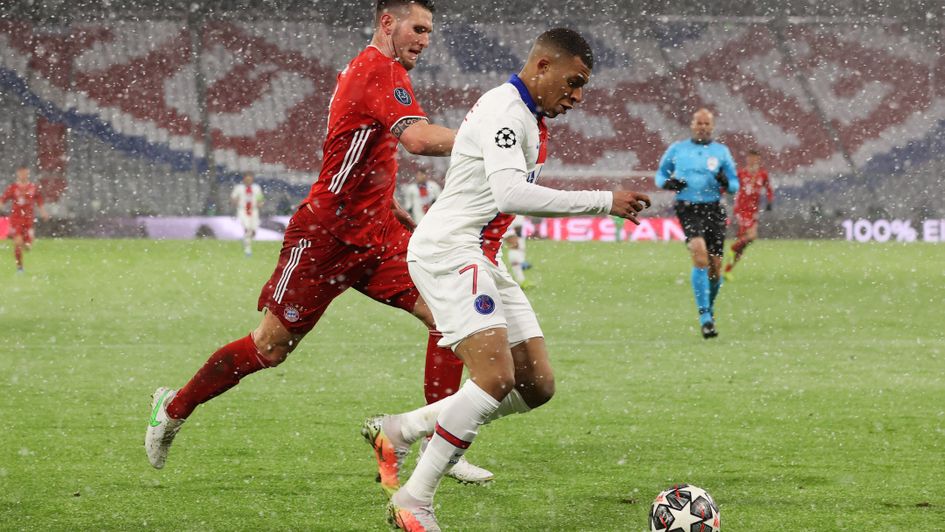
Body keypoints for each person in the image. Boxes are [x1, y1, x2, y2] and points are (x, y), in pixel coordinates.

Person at [146, 0, 493, 485]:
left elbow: (362, 144)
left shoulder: (376, 70)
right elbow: (415, 140)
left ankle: (439, 449)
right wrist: (490, 139)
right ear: (387, 22)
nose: (425, 40)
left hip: (377, 233)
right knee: (270, 347)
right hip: (325, 237)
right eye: (418, 28)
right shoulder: (378, 69)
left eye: (430, 31)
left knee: (449, 317)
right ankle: (173, 408)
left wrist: (385, 199)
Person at [361, 28, 651, 530]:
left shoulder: (527, 116)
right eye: (574, 82)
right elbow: (510, 194)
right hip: (449, 249)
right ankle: (414, 500)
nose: (578, 96)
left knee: (537, 383)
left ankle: (402, 428)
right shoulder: (505, 112)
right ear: (542, 66)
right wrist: (604, 201)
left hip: (474, 252)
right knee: (494, 378)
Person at [655, 108, 738, 339]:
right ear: (692, 125)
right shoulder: (678, 149)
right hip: (688, 208)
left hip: (713, 209)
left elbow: (734, 184)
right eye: (699, 123)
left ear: (712, 127)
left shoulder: (721, 152)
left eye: (706, 123)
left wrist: (725, 181)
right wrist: (668, 183)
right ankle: (705, 318)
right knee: (700, 255)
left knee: (715, 267)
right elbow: (660, 175)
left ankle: (708, 309)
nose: (702, 127)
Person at [724, 149, 773, 278]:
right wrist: (721, 192)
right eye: (750, 158)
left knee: (743, 244)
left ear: (758, 160)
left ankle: (728, 270)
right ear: (747, 159)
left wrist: (769, 201)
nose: (752, 161)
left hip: (753, 211)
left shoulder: (762, 174)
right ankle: (733, 250)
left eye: (755, 158)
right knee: (751, 237)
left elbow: (769, 189)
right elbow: (730, 186)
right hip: (741, 210)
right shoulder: (741, 173)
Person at [1, 166, 48, 273]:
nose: (23, 175)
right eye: (21, 173)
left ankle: (26, 244)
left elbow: (39, 200)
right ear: (18, 174)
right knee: (18, 243)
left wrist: (43, 212)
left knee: (27, 247)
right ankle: (20, 267)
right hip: (16, 220)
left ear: (28, 174)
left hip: (28, 220)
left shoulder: (33, 187)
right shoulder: (13, 188)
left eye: (25, 173)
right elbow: (3, 199)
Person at [230, 173, 264, 256]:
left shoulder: (256, 188)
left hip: (254, 210)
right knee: (247, 228)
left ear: (252, 180)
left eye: (250, 179)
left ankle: (246, 240)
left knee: (253, 231)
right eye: (247, 179)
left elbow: (260, 198)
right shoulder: (239, 188)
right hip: (243, 210)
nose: (248, 181)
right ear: (244, 179)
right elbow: (233, 197)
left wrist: (260, 203)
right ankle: (248, 249)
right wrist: (235, 201)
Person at [502, 215, 531, 288]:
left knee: (516, 246)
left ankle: (521, 280)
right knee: (515, 245)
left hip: (504, 224)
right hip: (505, 224)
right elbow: (518, 226)